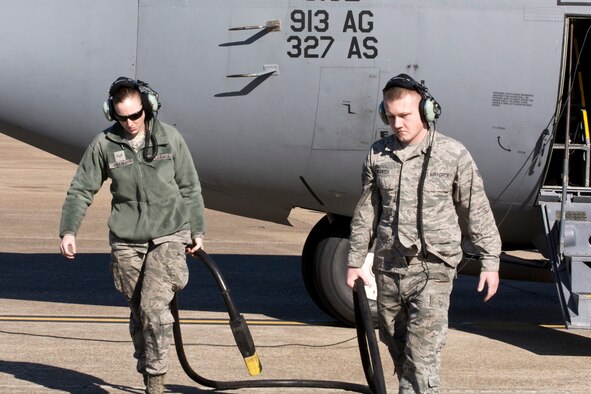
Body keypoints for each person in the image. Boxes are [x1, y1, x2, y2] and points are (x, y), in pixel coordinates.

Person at [346, 74, 501, 393]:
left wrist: (490, 260)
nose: (397, 124)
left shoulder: (453, 154)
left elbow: (476, 208)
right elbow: (366, 212)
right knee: (395, 345)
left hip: (433, 269)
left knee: (421, 361)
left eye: (404, 115)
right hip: (388, 270)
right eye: (390, 117)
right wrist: (355, 260)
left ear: (427, 111)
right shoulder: (378, 155)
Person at [59, 77, 205, 394]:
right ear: (112, 114)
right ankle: (147, 369)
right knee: (140, 314)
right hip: (127, 240)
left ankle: (156, 383)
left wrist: (197, 231)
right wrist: (69, 229)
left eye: (135, 115)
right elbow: (81, 189)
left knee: (155, 310)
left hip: (169, 233)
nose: (130, 123)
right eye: (122, 117)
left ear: (148, 108)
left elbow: (190, 188)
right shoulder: (104, 144)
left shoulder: (170, 139)